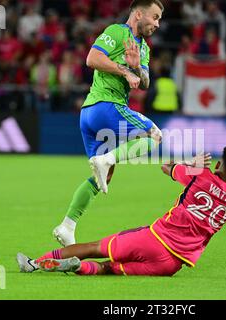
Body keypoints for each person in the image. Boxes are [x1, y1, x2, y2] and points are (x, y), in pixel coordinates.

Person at [17, 145, 226, 276]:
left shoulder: (200, 175)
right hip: (171, 265)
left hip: (155, 239)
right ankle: (79, 267)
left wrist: (190, 163)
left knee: (94, 247)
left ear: (219, 164)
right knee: (109, 269)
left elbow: (165, 167)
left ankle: (36, 263)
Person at [52, 0, 164, 247]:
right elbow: (92, 58)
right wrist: (124, 71)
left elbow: (144, 82)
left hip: (90, 114)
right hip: (106, 106)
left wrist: (136, 69)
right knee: (155, 136)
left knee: (103, 175)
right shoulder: (116, 32)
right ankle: (108, 159)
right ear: (138, 14)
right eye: (154, 17)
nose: (157, 23)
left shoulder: (143, 48)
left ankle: (67, 226)